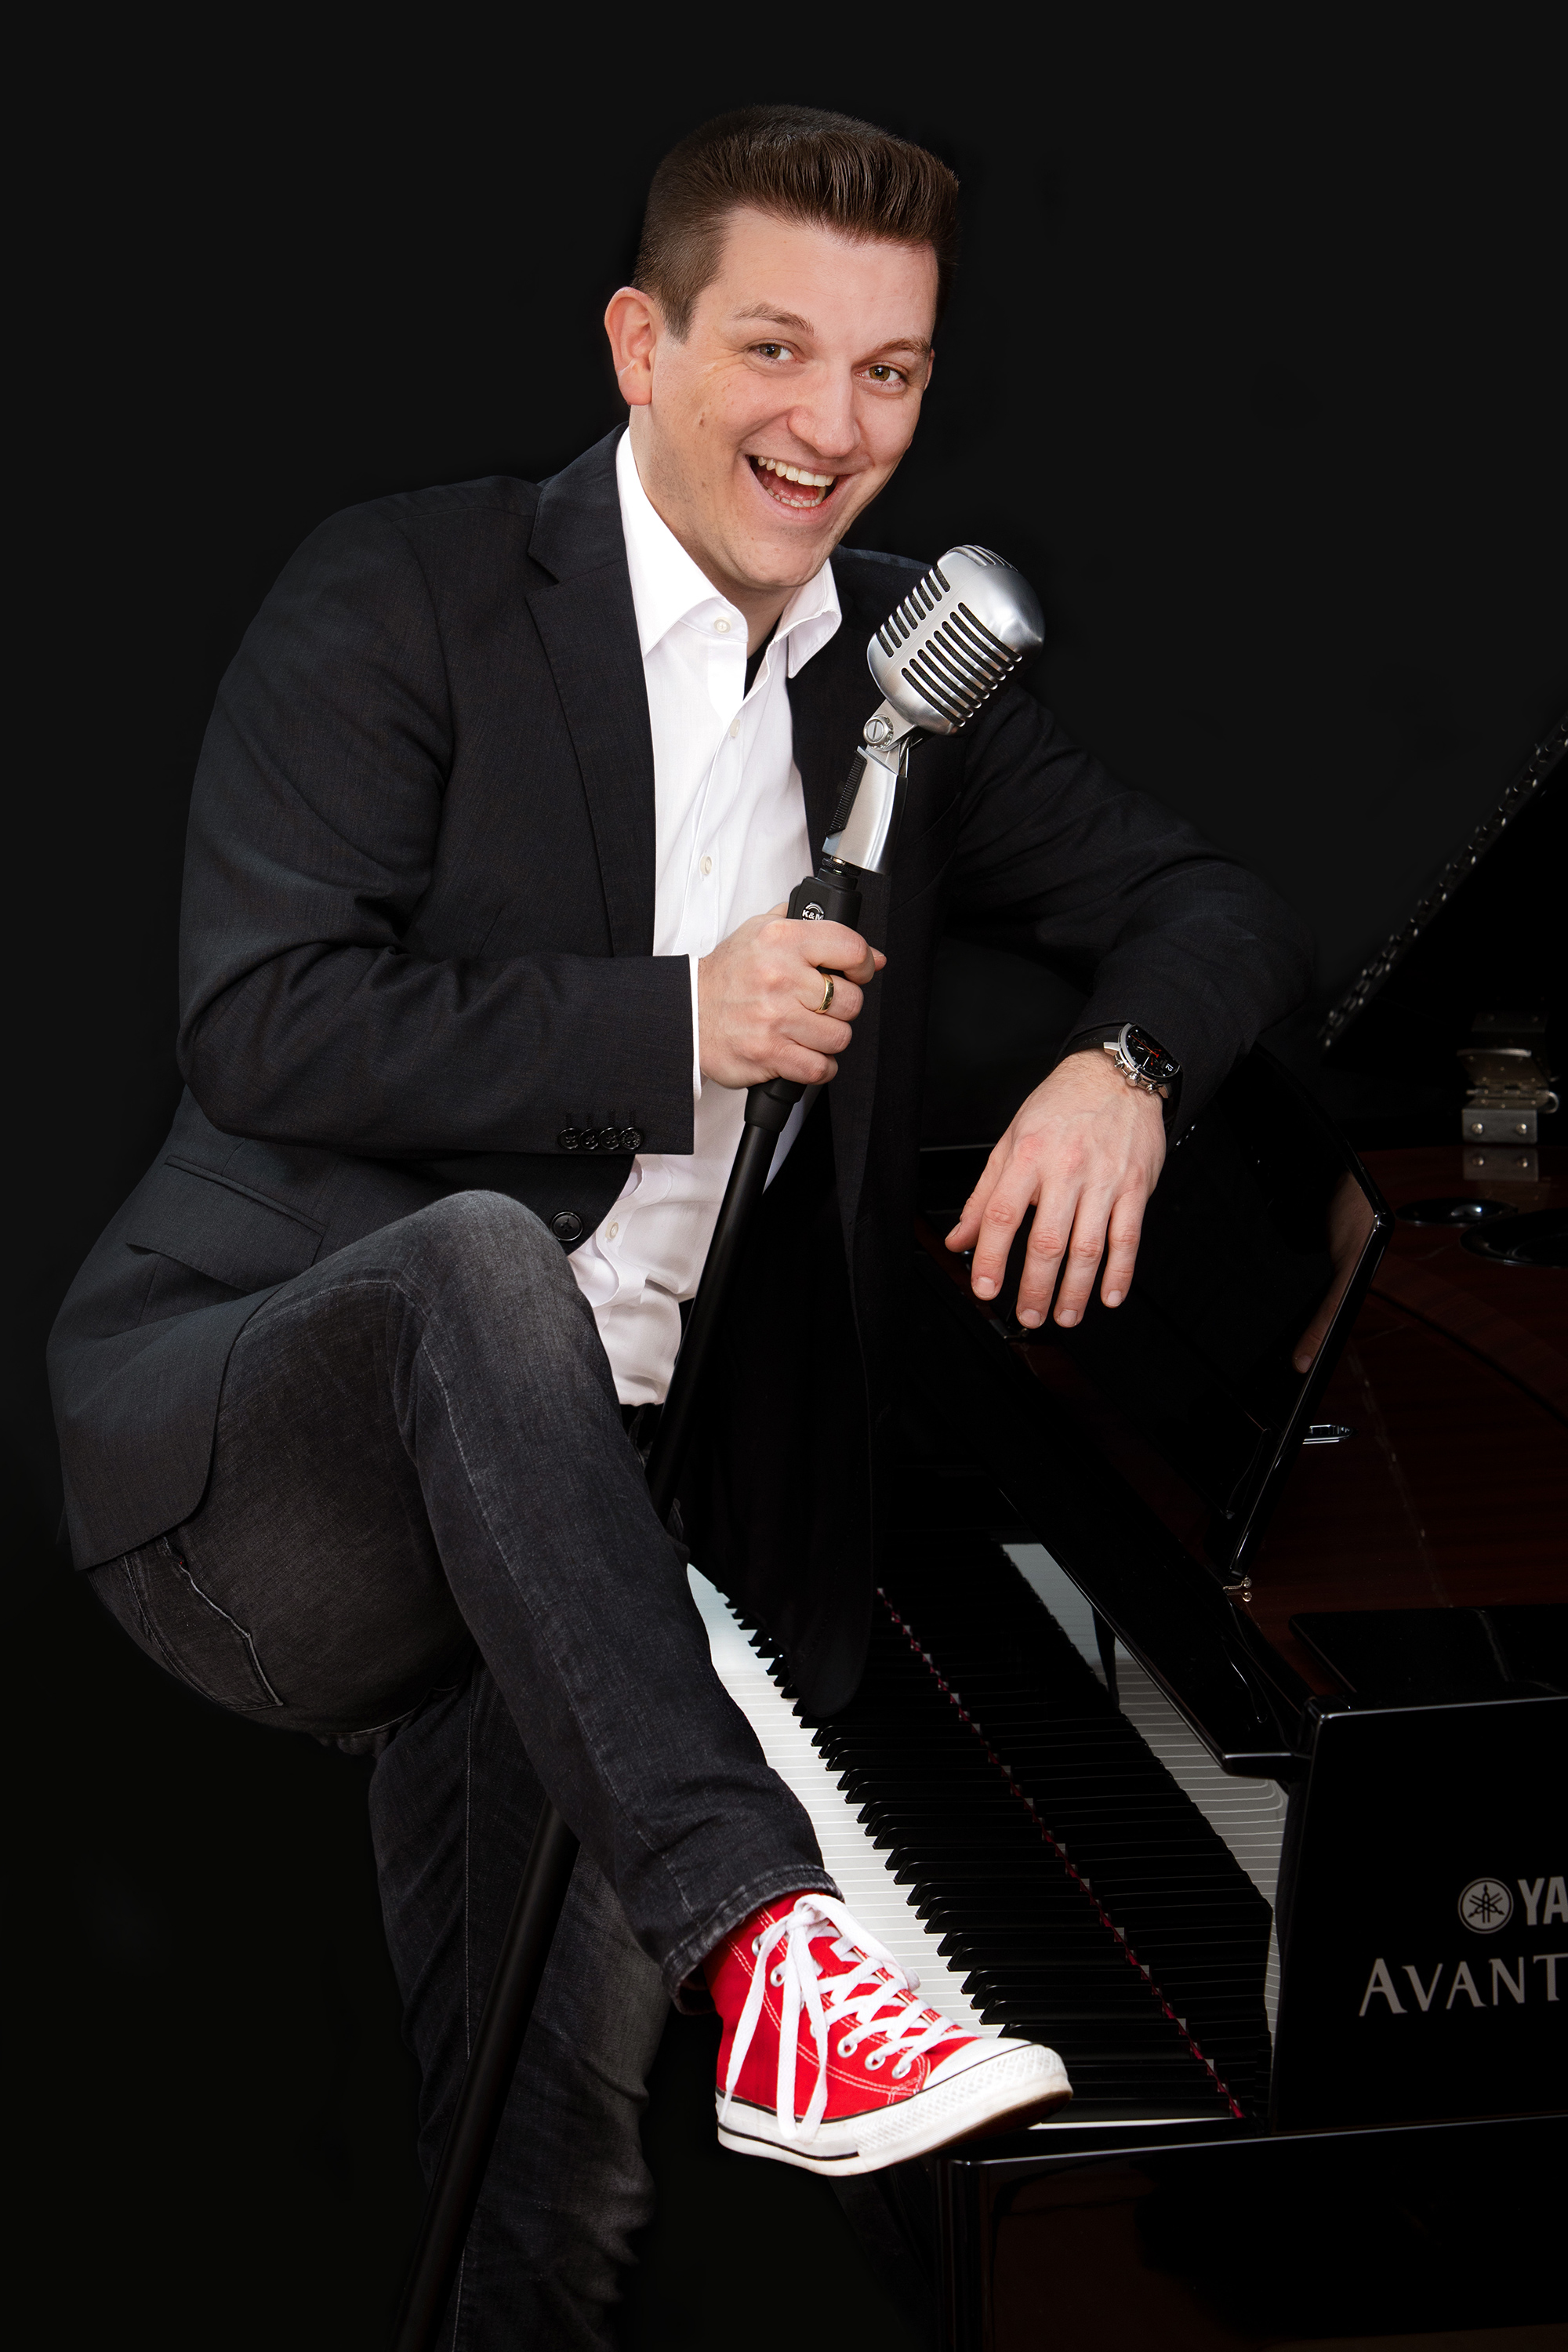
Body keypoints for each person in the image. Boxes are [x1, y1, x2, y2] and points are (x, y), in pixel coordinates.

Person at [49, 106, 1312, 2350]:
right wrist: (675, 1024)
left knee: (544, 2196)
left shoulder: (903, 681)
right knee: (481, 1266)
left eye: (891, 373)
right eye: (775, 350)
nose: (833, 427)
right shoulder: (408, 590)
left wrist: (1124, 1072)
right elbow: (260, 1020)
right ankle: (777, 1958)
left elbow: (1211, 908)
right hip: (262, 1442)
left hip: (598, 1535)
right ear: (642, 344)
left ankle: (717, 2013)